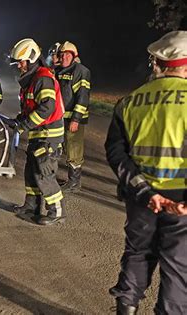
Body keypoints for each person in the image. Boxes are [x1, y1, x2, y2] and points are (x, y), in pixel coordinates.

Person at [105, 30, 187, 315]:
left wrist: (146, 192)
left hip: (141, 200)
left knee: (137, 254)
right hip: (181, 205)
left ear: (158, 63)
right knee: (178, 269)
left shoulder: (129, 103)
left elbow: (116, 154)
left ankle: (126, 308)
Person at [10, 38, 66, 225]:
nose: (19, 65)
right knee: (31, 171)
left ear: (32, 58)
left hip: (48, 135)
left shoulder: (42, 78)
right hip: (39, 135)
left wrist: (24, 125)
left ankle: (56, 211)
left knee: (44, 173)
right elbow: (30, 109)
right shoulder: (32, 80)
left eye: (22, 61)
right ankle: (31, 206)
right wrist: (19, 120)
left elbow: (46, 108)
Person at [55, 41, 91, 193]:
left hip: (74, 119)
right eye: (61, 55)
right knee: (62, 147)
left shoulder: (81, 71)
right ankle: (67, 179)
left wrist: (76, 119)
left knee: (74, 149)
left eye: (67, 55)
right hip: (61, 118)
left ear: (74, 56)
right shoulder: (58, 71)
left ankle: (75, 182)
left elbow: (83, 97)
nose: (63, 58)